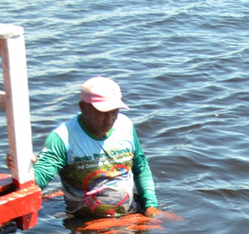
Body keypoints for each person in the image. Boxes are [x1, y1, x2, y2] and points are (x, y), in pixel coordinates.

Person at [30, 76, 160, 220]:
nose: (109, 119)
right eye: (102, 113)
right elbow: (39, 179)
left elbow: (141, 167)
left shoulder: (126, 125)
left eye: (114, 112)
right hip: (85, 220)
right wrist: (24, 170)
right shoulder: (63, 138)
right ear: (83, 107)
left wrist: (151, 206)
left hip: (128, 211)